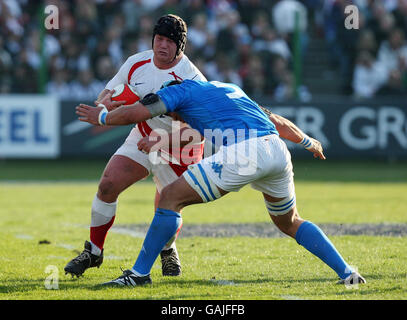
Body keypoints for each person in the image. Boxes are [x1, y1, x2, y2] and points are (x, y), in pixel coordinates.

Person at [76, 79, 366, 287]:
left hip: (245, 153)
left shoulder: (178, 91)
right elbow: (275, 120)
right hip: (277, 150)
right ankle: (347, 272)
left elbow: (138, 112)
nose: (173, 118)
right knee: (289, 221)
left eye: (170, 113)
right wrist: (306, 140)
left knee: (169, 197)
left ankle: (138, 274)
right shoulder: (230, 89)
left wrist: (102, 116)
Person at [64, 14, 206, 278]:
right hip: (143, 134)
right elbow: (107, 95)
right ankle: (94, 251)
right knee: (108, 184)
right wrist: (106, 103)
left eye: (169, 41)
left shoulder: (192, 79)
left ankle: (168, 249)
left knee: (167, 204)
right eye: (159, 38)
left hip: (179, 145)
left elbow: (198, 132)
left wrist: (161, 140)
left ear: (180, 46)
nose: (162, 45)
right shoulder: (136, 62)